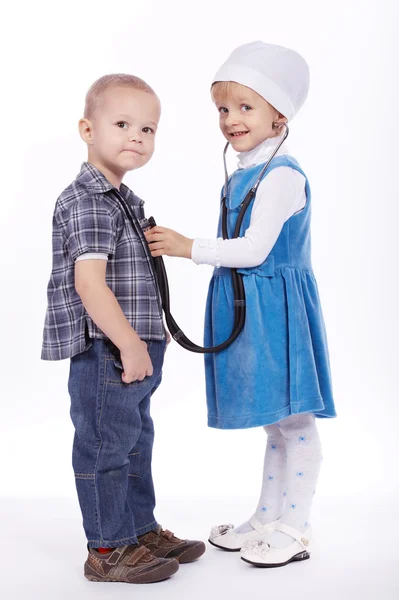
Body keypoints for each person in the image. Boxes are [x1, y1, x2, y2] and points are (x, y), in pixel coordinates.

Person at [145, 42, 337, 568]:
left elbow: (255, 249)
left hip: (278, 308)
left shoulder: (282, 174)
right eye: (223, 109)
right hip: (253, 303)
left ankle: (295, 528)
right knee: (276, 422)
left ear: (280, 115)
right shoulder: (246, 171)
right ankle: (267, 516)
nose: (231, 119)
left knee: (295, 420)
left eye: (245, 107)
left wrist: (188, 247)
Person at [41, 73, 205, 584]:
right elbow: (90, 283)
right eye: (122, 124)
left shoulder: (124, 201)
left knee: (135, 441)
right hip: (109, 348)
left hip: (136, 346)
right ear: (87, 130)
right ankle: (108, 547)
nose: (138, 136)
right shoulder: (90, 199)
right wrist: (130, 344)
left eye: (149, 129)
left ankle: (138, 528)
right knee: (106, 445)